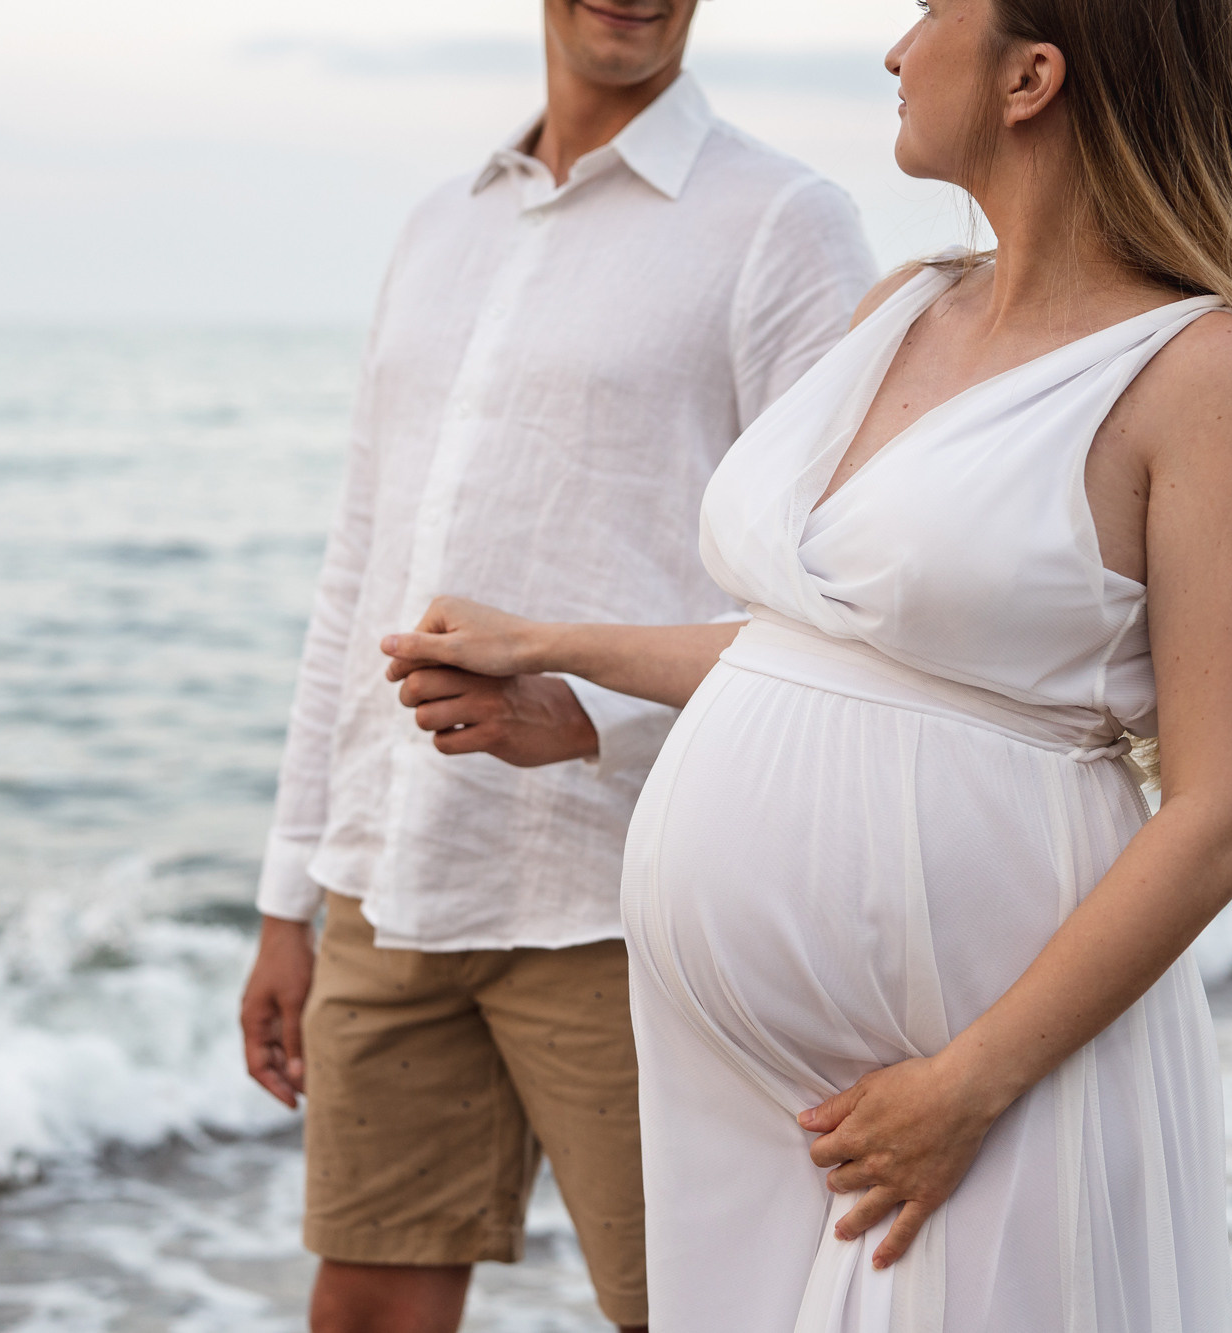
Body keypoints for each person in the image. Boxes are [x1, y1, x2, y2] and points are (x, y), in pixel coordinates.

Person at [379, 0, 1232, 1327]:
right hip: (749, 1086)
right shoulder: (904, 307)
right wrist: (564, 663)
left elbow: (1226, 814)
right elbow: (821, 656)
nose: (896, 50)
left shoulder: (1204, 372)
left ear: (1032, 77)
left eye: (932, 13)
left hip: (969, 1079)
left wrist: (968, 1086)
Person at [237, 1, 876, 1329]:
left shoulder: (783, 221)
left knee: (703, 1310)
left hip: (628, 894)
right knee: (361, 1305)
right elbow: (357, 565)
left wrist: (592, 720)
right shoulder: (440, 224)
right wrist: (288, 893)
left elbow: (840, 609)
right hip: (394, 878)